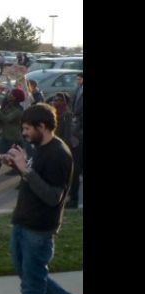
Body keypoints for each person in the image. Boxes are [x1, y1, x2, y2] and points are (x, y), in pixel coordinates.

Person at [0, 103, 83, 294]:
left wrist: (26, 170)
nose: (24, 133)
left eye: (28, 128)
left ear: (42, 127)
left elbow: (53, 196)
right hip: (22, 220)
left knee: (31, 286)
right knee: (32, 278)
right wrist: (16, 164)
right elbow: (32, 178)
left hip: (39, 229)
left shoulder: (59, 154)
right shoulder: (39, 147)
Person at [67, 73, 83, 208]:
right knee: (76, 169)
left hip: (79, 133)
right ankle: (73, 198)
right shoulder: (78, 89)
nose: (78, 81)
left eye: (79, 78)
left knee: (76, 168)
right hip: (77, 133)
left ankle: (73, 199)